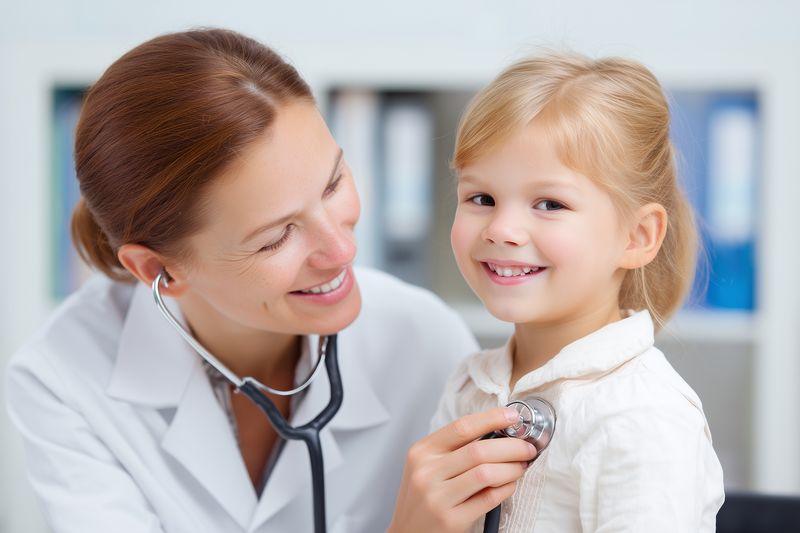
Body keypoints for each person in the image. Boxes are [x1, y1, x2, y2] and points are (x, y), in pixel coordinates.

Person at [4, 29, 537, 533]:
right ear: (158, 269)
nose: (342, 249)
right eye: (276, 236)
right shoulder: (63, 378)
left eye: (332, 185)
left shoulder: (423, 339)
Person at [432, 52, 725, 531]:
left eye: (550, 203)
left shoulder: (643, 417)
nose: (502, 229)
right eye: (480, 198)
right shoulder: (470, 387)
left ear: (637, 237)